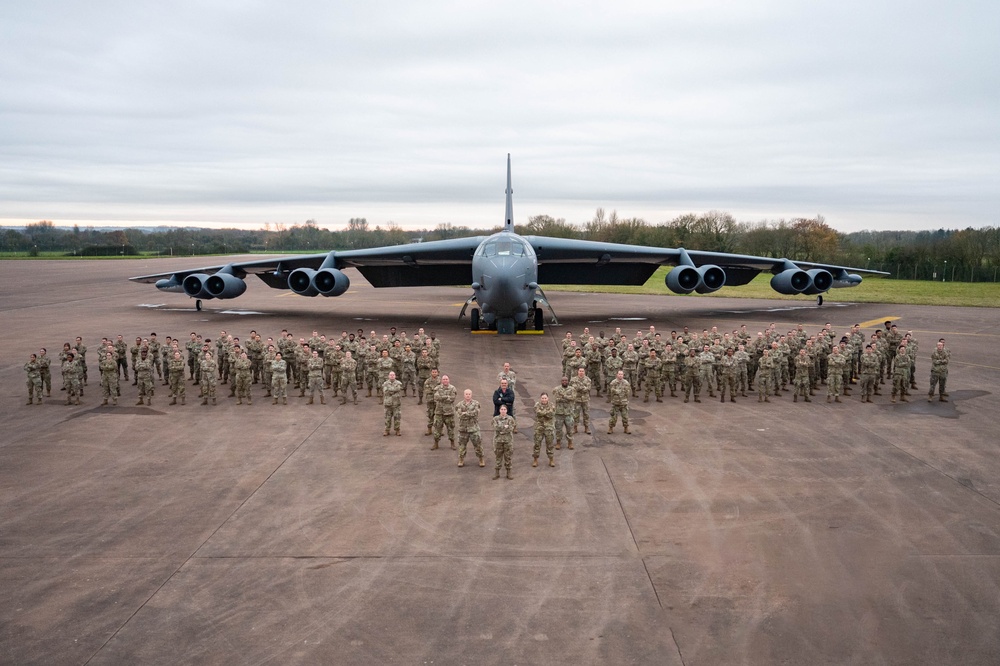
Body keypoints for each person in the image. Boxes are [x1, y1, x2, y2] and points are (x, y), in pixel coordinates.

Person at [455, 389, 485, 467]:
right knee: (462, 445)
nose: (468, 395)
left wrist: (465, 413)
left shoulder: (476, 403)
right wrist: (469, 414)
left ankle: (481, 459)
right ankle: (461, 459)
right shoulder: (459, 404)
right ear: (464, 395)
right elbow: (459, 415)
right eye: (466, 394)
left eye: (469, 394)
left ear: (471, 395)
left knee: (478, 444)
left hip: (473, 428)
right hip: (463, 429)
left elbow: (476, 413)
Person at [432, 375, 458, 449]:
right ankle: (436, 443)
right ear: (441, 381)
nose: (445, 380)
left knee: (451, 429)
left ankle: (452, 443)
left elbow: (452, 399)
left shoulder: (452, 388)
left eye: (446, 379)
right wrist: (446, 397)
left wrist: (442, 397)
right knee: (437, 428)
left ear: (448, 380)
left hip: (449, 413)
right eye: (444, 379)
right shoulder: (437, 388)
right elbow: (436, 397)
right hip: (439, 412)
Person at [492, 404, 516, 480]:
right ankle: (497, 472)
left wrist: (502, 429)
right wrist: (505, 427)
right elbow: (495, 427)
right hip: (498, 441)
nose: (503, 411)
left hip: (508, 441)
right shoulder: (495, 419)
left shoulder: (510, 419)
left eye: (504, 409)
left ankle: (508, 472)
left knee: (508, 457)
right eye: (501, 409)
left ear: (507, 410)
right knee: (498, 457)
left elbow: (511, 428)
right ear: (499, 410)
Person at [532, 393, 556, 468]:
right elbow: (538, 413)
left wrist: (543, 413)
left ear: (548, 398)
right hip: (539, 428)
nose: (544, 399)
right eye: (542, 398)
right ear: (540, 398)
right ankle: (535, 459)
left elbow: (551, 414)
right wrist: (546, 413)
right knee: (537, 444)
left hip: (549, 428)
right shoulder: (537, 405)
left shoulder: (552, 405)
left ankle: (551, 459)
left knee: (550, 444)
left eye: (545, 398)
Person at [570, 367, 592, 434]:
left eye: (582, 371)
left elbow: (588, 388)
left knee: (586, 414)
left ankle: (587, 428)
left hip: (585, 400)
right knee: (576, 414)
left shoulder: (588, 379)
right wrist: (583, 387)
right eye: (580, 371)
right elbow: (573, 388)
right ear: (578, 372)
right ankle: (575, 428)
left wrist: (579, 387)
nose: (581, 372)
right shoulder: (573, 379)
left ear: (584, 372)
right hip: (577, 400)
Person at [382, 370, 403, 436]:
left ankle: (397, 430)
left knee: (397, 418)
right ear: (388, 376)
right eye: (390, 375)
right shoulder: (385, 383)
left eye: (393, 375)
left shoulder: (399, 383)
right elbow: (385, 391)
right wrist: (394, 390)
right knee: (387, 418)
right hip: (388, 404)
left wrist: (390, 389)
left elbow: (398, 389)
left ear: (395, 376)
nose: (392, 376)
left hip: (396, 404)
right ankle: (386, 430)